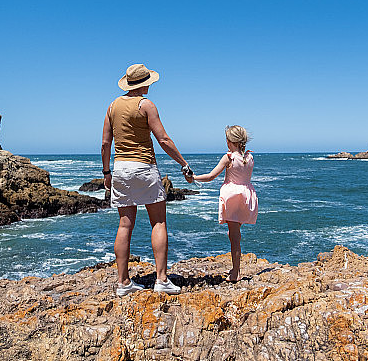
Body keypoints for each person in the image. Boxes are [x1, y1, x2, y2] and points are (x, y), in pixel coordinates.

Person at [101, 64, 192, 295]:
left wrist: (106, 173)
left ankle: (123, 283)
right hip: (144, 167)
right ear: (144, 84)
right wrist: (183, 163)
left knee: (125, 224)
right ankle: (161, 280)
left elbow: (105, 143)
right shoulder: (146, 105)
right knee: (158, 222)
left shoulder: (112, 106)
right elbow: (163, 139)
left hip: (121, 168)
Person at [192, 125, 258, 282]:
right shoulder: (249, 157)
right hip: (247, 195)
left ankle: (235, 273)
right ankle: (235, 269)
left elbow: (210, 176)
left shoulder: (229, 157)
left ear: (229, 141)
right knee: (234, 233)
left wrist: (194, 177)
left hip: (233, 197)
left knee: (234, 237)